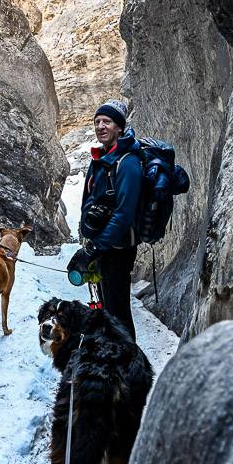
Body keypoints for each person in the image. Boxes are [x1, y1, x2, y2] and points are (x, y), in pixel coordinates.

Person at [67, 99, 141, 339]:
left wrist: (93, 249)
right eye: (97, 121)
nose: (100, 126)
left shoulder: (127, 163)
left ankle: (130, 368)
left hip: (118, 250)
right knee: (106, 311)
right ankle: (113, 362)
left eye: (107, 121)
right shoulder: (100, 160)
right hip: (102, 249)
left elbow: (124, 214)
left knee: (118, 314)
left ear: (119, 127)